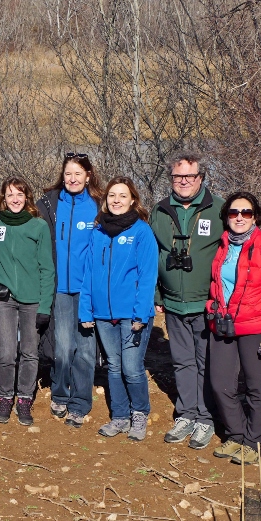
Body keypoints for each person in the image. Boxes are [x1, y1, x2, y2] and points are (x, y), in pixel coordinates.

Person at [207, 191, 261, 465]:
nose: (239, 218)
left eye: (246, 213)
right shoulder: (222, 247)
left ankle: (255, 443)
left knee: (256, 387)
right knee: (220, 385)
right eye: (234, 213)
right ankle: (235, 435)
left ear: (255, 216)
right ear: (226, 216)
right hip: (224, 324)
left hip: (257, 328)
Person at [149, 150, 225, 449]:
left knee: (205, 361)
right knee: (181, 361)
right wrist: (157, 294)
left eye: (189, 176)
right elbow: (152, 255)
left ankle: (206, 419)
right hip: (172, 302)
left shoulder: (218, 209)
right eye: (178, 176)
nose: (183, 181)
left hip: (205, 302)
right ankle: (186, 414)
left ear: (201, 178)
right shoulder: (160, 211)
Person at [79, 176, 157, 441]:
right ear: (105, 200)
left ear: (133, 200)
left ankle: (139, 414)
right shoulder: (98, 232)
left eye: (123, 196)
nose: (116, 200)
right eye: (112, 195)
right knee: (113, 366)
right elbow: (88, 273)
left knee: (132, 368)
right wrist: (85, 309)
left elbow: (148, 276)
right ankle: (120, 417)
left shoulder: (141, 231)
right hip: (102, 314)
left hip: (132, 314)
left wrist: (140, 313)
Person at [0, 177, 54, 426]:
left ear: (27, 197)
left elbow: (46, 269)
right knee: (6, 352)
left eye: (20, 194)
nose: (15, 199)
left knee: (30, 352)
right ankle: (5, 397)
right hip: (3, 299)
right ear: (3, 199)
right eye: (10, 195)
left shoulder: (38, 226)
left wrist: (44, 306)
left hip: (32, 300)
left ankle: (24, 398)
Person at [37, 153, 104, 428]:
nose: (72, 179)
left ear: (88, 176)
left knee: (86, 350)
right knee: (63, 348)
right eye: (68, 174)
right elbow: (18, 211)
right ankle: (60, 393)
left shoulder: (99, 206)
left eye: (78, 174)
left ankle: (80, 402)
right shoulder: (49, 204)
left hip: (88, 290)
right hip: (60, 289)